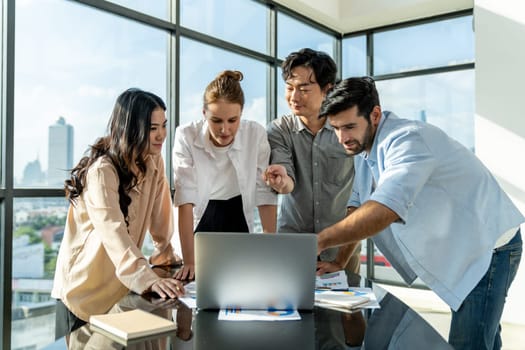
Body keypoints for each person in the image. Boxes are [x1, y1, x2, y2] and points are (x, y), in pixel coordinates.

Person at [316, 77, 524, 350]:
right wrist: (341, 263)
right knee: (483, 336)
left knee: (467, 343)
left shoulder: (408, 139)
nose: (343, 138)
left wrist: (319, 241)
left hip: (488, 250)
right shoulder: (363, 150)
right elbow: (356, 207)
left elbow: (384, 208)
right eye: (336, 129)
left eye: (349, 127)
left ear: (375, 114)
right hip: (464, 250)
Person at [51, 88, 185, 345]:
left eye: (163, 126)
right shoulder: (102, 171)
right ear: (131, 129)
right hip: (82, 292)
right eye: (152, 128)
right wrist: (147, 278)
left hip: (118, 289)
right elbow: (114, 234)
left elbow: (161, 215)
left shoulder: (154, 161)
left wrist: (165, 253)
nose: (161, 135)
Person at [263, 48, 360, 279]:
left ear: (327, 89)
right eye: (289, 88)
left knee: (344, 315)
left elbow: (362, 200)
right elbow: (287, 182)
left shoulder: (348, 129)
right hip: (292, 249)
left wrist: (340, 260)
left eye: (304, 89)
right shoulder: (279, 130)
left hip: (341, 249)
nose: (294, 97)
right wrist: (281, 181)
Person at [173, 70, 277, 281]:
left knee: (241, 281)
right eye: (216, 120)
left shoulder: (255, 134)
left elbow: (264, 193)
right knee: (197, 285)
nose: (225, 129)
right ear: (204, 113)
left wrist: (269, 250)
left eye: (232, 120)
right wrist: (189, 261)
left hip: (237, 212)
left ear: (242, 113)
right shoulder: (185, 135)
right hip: (200, 216)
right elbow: (185, 199)